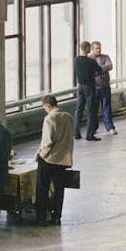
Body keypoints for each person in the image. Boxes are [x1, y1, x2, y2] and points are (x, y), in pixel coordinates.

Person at [35, 93, 74, 225]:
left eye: (44, 107)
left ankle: (41, 217)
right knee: (59, 189)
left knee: (42, 188)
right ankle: (56, 216)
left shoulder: (49, 119)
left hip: (49, 159)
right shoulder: (68, 117)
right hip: (63, 159)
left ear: (48, 105)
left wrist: (42, 155)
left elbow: (47, 141)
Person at [73, 41, 101, 142]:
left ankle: (76, 133)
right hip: (89, 87)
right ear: (87, 49)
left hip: (80, 86)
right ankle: (90, 134)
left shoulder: (76, 60)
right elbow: (99, 70)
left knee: (79, 110)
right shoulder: (90, 61)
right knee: (91, 111)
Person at [90, 41, 118, 135]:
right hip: (95, 87)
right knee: (94, 108)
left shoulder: (105, 57)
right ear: (92, 49)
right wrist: (102, 69)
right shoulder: (90, 59)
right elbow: (91, 71)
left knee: (107, 107)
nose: (99, 50)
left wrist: (98, 69)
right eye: (96, 48)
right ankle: (93, 128)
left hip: (105, 86)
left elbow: (110, 66)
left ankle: (110, 127)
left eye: (99, 48)